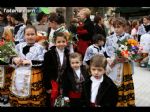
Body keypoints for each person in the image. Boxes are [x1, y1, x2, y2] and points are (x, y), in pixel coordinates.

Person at [9, 25, 46, 107]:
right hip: (18, 75)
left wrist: (30, 62)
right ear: (24, 35)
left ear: (36, 35)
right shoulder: (18, 46)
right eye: (28, 34)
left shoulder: (40, 48)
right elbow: (10, 57)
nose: (30, 37)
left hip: (33, 77)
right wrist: (14, 59)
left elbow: (43, 62)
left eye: (32, 34)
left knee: (32, 101)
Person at [105, 17, 135, 107]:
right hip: (114, 65)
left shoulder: (129, 37)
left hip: (125, 65)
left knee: (124, 84)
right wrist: (114, 58)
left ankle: (125, 102)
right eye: (115, 27)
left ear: (124, 27)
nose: (117, 29)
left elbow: (134, 52)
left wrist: (127, 57)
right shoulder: (109, 38)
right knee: (113, 84)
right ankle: (114, 101)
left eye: (119, 27)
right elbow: (107, 51)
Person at [43, 32, 70, 107]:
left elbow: (69, 70)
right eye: (59, 42)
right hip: (52, 82)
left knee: (62, 103)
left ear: (66, 42)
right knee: (51, 101)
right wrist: (47, 86)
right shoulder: (48, 54)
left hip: (64, 83)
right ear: (55, 43)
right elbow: (45, 70)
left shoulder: (68, 54)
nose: (61, 43)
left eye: (63, 41)